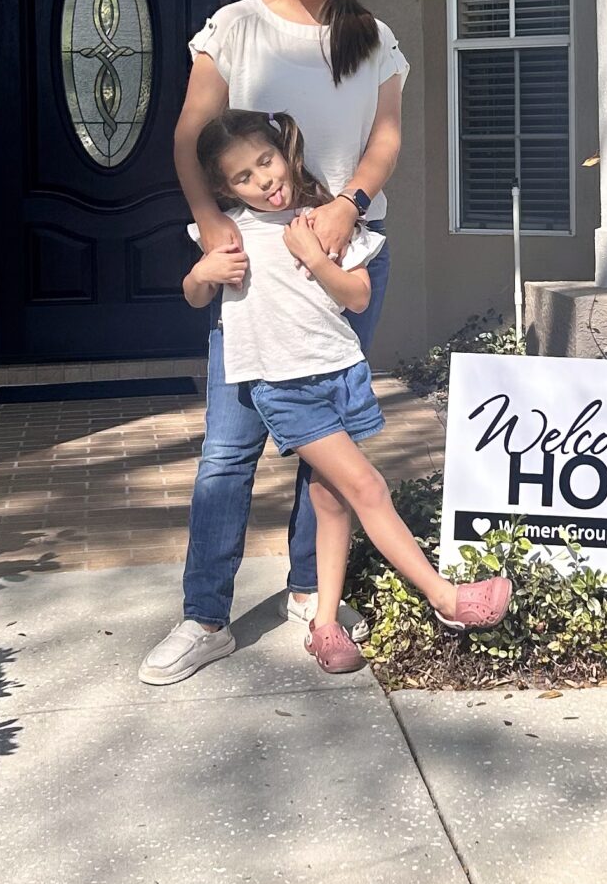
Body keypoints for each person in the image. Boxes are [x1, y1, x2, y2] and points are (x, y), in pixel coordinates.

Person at [142, 0, 406, 687]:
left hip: (345, 251)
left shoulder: (373, 37)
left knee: (325, 441)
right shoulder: (235, 29)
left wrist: (348, 207)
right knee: (229, 448)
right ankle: (206, 616)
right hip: (255, 271)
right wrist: (214, 225)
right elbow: (191, 136)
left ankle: (306, 592)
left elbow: (386, 139)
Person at [168, 108, 511, 674]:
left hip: (340, 374)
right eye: (243, 178)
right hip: (284, 387)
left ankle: (323, 621)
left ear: (284, 152)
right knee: (368, 487)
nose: (264, 180)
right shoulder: (233, 235)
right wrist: (202, 274)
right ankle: (445, 598)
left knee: (329, 499)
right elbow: (195, 295)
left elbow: (356, 297)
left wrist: (311, 255)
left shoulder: (323, 223)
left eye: (266, 161)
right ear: (224, 189)